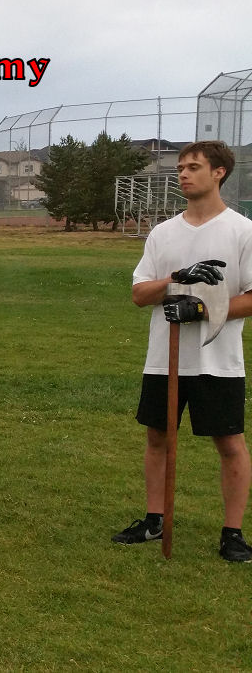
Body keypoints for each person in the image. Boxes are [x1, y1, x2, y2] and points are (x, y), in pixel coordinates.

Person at [112, 140, 252, 562]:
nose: (184, 174)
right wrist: (175, 279)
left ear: (219, 173)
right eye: (180, 168)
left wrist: (204, 308)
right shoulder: (163, 233)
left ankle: (232, 533)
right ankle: (154, 520)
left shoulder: (242, 230)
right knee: (157, 438)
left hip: (218, 359)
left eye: (194, 167)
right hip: (164, 359)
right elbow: (140, 293)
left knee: (229, 443)